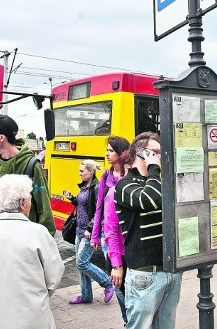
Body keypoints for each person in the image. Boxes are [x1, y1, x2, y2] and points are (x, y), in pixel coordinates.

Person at [0, 175, 63, 329]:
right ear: (22, 203)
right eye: (29, 198)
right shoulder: (39, 233)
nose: (30, 202)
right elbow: (53, 277)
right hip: (29, 319)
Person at [115, 132, 182, 329]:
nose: (160, 157)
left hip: (170, 270)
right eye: (155, 152)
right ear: (140, 152)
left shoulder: (158, 182)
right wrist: (154, 169)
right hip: (145, 273)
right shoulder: (124, 185)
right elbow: (149, 200)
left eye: (161, 153)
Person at [0, 114, 55, 235]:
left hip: (23, 242)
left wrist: (44, 242)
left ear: (1, 137)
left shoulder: (31, 166)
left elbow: (44, 208)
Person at [90, 135, 130, 324]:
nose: (107, 154)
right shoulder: (106, 175)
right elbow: (99, 208)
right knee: (118, 284)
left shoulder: (131, 175)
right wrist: (96, 235)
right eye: (106, 150)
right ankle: (126, 320)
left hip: (127, 237)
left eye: (111, 151)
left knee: (128, 282)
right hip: (109, 236)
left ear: (122, 153)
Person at [63, 159, 115, 305]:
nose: (80, 174)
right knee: (82, 264)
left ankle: (107, 283)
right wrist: (72, 199)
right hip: (79, 231)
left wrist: (91, 229)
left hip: (89, 232)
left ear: (91, 171)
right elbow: (84, 205)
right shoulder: (85, 186)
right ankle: (86, 295)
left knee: (81, 263)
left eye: (82, 171)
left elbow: (101, 211)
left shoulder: (97, 187)